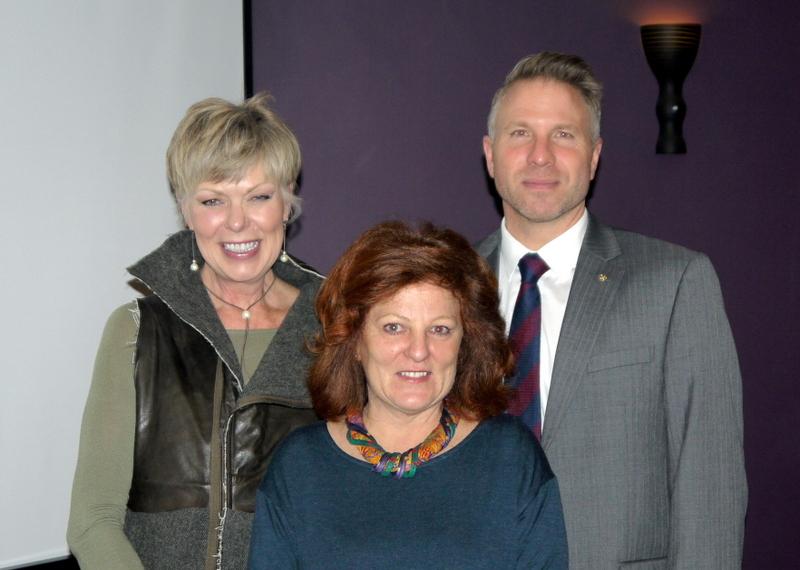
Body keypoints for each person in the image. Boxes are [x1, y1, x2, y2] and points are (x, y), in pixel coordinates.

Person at [477, 51, 747, 568]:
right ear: (490, 155)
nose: (540, 155)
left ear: (595, 155)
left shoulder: (674, 283)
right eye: (519, 134)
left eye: (563, 135)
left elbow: (710, 484)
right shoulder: (446, 287)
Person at [67, 94, 323, 569]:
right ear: (186, 211)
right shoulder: (136, 331)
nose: (237, 221)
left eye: (259, 196)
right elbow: (93, 519)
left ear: (287, 203)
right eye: (212, 200)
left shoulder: (339, 329)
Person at [248, 221, 568, 569]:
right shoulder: (300, 467)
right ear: (354, 340)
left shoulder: (511, 458)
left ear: (465, 344)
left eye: (440, 329)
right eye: (394, 327)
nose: (419, 351)